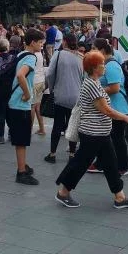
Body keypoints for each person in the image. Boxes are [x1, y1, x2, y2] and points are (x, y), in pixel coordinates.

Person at [54, 51, 128, 209]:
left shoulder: (93, 82)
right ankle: (63, 192)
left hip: (99, 133)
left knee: (111, 164)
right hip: (93, 133)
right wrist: (125, 117)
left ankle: (119, 197)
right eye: (101, 64)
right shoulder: (92, 85)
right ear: (94, 68)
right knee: (80, 164)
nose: (104, 67)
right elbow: (106, 110)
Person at [89, 39, 128, 175]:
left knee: (117, 139)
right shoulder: (104, 64)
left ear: (102, 50)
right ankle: (101, 163)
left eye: (94, 48)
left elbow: (115, 88)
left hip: (117, 107)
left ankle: (122, 167)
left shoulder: (111, 65)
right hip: (108, 107)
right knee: (106, 138)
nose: (92, 51)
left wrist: (96, 91)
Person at [9, 28, 44, 185]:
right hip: (20, 103)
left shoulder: (21, 54)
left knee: (20, 138)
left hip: (13, 101)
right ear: (33, 42)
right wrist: (28, 94)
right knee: (22, 140)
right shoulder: (31, 58)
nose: (42, 45)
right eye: (40, 43)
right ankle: (21, 172)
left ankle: (23, 165)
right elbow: (20, 75)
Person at [44, 33, 83, 163]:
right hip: (76, 97)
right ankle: (72, 154)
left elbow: (49, 74)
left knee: (57, 125)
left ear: (65, 42)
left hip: (61, 95)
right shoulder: (80, 57)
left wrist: (52, 87)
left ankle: (52, 154)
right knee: (72, 125)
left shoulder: (58, 54)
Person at [31, 47, 47, 136]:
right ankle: (42, 128)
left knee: (32, 106)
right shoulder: (40, 53)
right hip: (41, 80)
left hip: (34, 81)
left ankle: (29, 130)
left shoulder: (33, 55)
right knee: (38, 106)